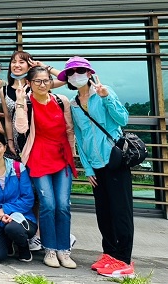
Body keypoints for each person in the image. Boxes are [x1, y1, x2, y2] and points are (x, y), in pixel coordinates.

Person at [60, 57, 135, 278]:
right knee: (104, 212)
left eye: (80, 70)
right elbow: (81, 139)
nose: (76, 75)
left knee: (121, 212)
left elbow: (122, 119)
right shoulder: (74, 104)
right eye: (72, 73)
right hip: (95, 166)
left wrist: (106, 98)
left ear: (89, 73)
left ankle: (124, 260)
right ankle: (110, 253)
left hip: (114, 161)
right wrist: (88, 169)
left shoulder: (104, 92)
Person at [14, 65, 77, 269]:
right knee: (48, 204)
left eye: (46, 80)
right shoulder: (27, 103)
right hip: (39, 157)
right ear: (29, 83)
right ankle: (50, 249)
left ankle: (64, 250)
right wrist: (21, 102)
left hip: (62, 156)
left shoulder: (61, 101)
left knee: (63, 205)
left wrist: (72, 155)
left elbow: (69, 130)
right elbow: (21, 128)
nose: (43, 84)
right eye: (38, 81)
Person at [0, 131, 36, 263]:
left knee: (13, 228)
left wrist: (5, 209)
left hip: (23, 217)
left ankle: (23, 247)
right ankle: (7, 242)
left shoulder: (18, 168)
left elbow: (28, 199)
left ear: (5, 147)